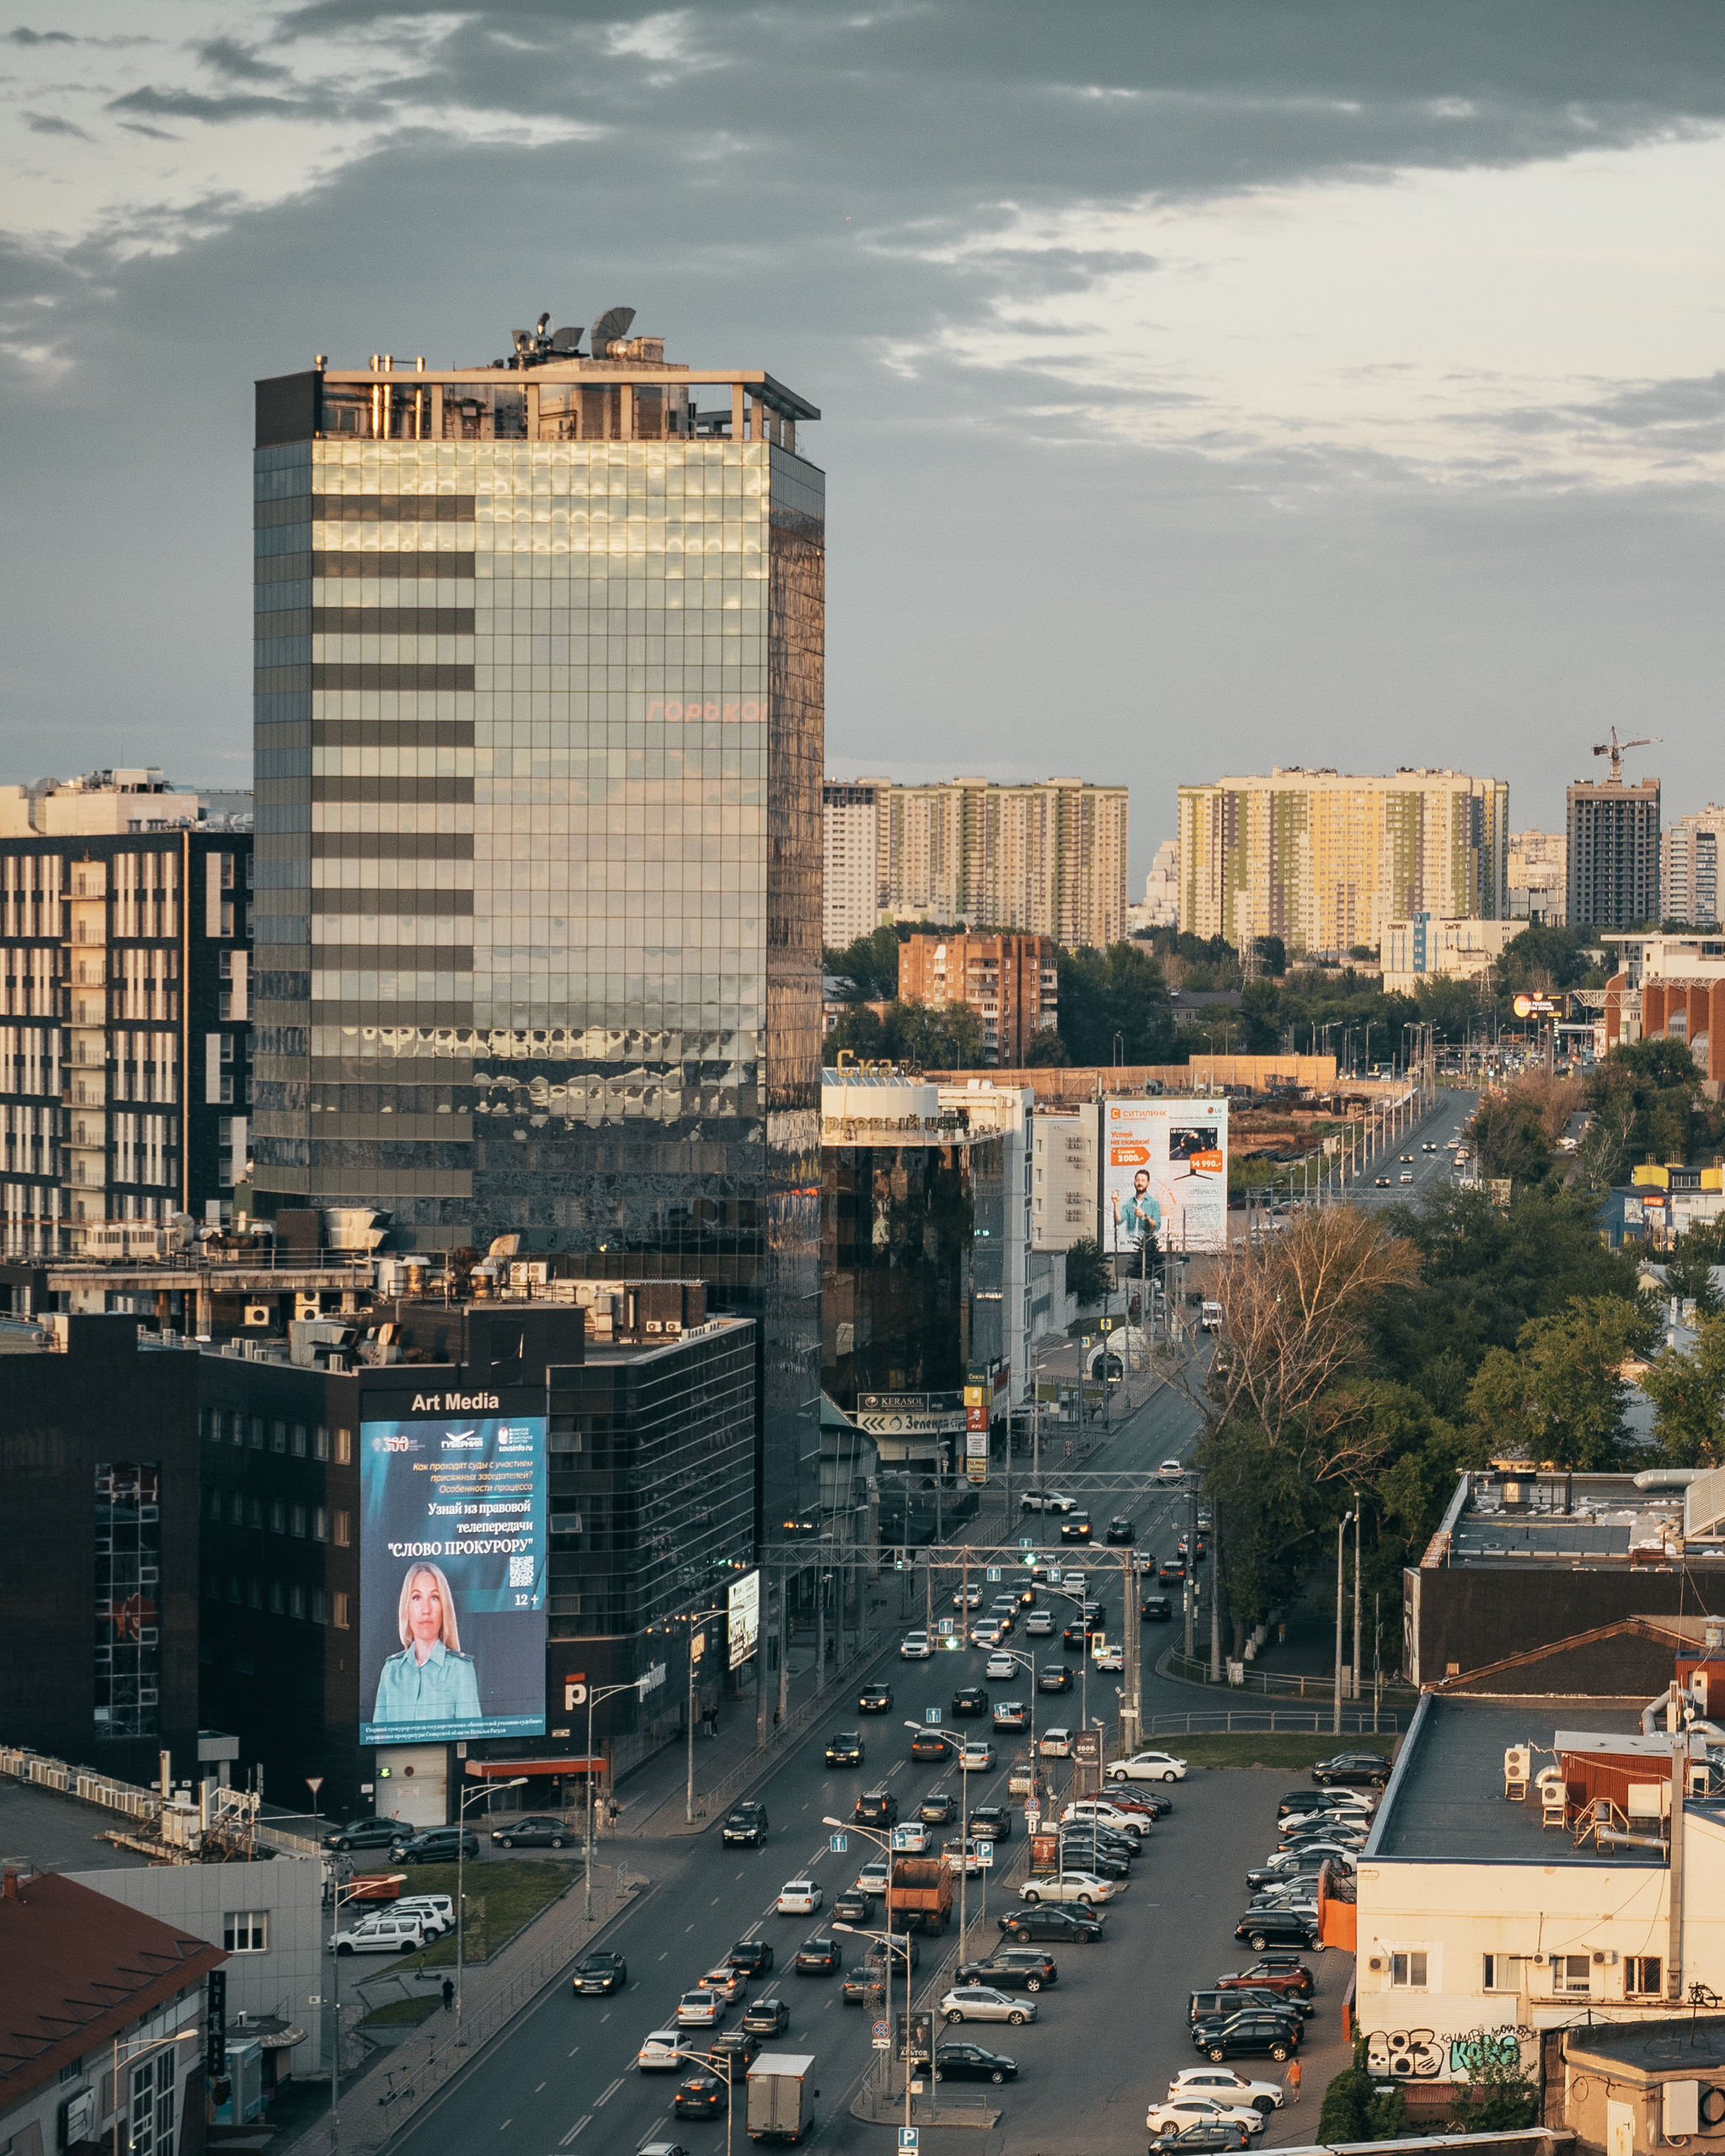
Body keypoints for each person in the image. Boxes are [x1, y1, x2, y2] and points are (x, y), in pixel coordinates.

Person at [371, 1561, 482, 1726]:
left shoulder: (460, 1670)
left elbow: (470, 1739)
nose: (426, 1609)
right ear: (406, 1607)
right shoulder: (390, 1671)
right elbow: (378, 1739)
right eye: (416, 1598)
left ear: (444, 1607)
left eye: (434, 1597)